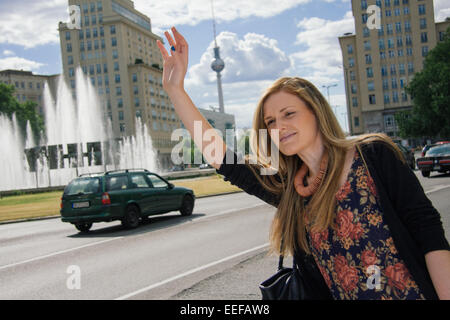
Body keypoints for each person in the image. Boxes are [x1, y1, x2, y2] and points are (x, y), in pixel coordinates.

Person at [157, 27, 450, 300]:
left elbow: (428, 234)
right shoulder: (290, 188)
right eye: (270, 121)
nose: (278, 126)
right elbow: (222, 158)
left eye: (289, 114)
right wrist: (176, 90)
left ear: (316, 111)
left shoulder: (373, 155)